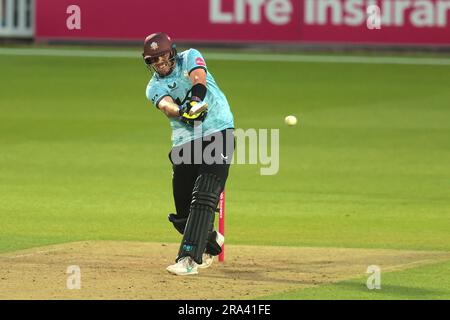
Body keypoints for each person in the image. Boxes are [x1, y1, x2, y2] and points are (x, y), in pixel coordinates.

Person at [143, 32, 235, 276]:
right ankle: (211, 240)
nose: (160, 63)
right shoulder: (154, 86)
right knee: (184, 214)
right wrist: (183, 111)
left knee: (204, 195)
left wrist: (195, 101)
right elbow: (165, 106)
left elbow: (199, 80)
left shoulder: (190, 56)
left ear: (172, 52)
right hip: (185, 142)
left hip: (218, 130)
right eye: (154, 60)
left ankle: (188, 259)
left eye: (163, 57)